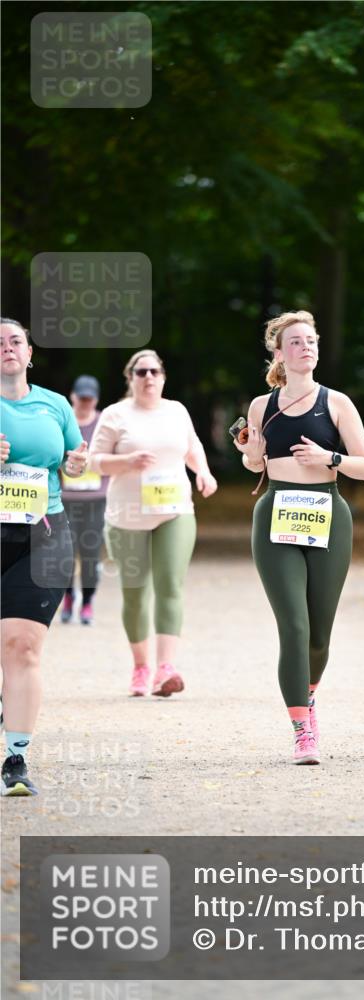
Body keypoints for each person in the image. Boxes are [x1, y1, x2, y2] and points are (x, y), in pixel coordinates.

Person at [234, 310, 364, 765]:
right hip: (276, 512)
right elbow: (254, 464)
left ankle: (308, 695)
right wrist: (250, 453)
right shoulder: (262, 405)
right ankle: (302, 731)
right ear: (279, 353)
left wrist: (329, 457)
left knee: (319, 636)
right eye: (295, 342)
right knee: (294, 627)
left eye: (311, 341)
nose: (305, 347)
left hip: (327, 513)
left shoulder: (337, 403)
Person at [87, 349, 217, 698]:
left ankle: (166, 669)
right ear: (130, 378)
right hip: (127, 515)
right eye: (141, 372)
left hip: (174, 511)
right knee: (135, 594)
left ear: (163, 377)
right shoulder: (115, 414)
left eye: (154, 371)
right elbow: (94, 462)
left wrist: (203, 472)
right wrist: (127, 461)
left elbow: (192, 447)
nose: (148, 377)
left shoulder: (176, 411)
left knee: (170, 585)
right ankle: (141, 666)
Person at [0, 318, 88, 796]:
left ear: (30, 352)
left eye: (16, 341)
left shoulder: (55, 404)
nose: (8, 348)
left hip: (44, 533)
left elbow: (73, 461)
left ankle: (15, 759)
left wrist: (77, 463)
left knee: (22, 646)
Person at [60, 375, 109, 625]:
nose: (85, 403)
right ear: (73, 396)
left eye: (89, 399)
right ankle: (68, 596)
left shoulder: (104, 424)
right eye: (81, 398)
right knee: (65, 553)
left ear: (96, 400)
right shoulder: (63, 420)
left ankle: (87, 601)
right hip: (65, 500)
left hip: (95, 501)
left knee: (90, 554)